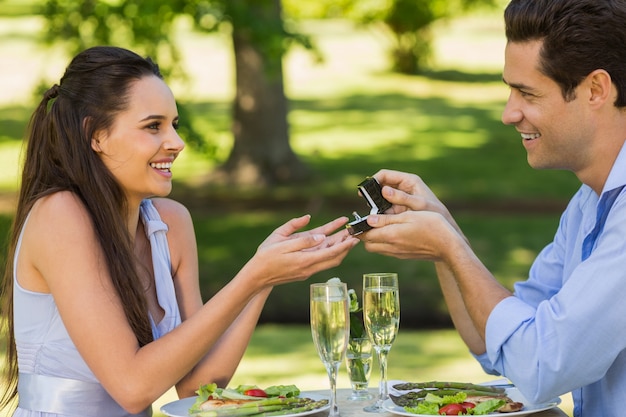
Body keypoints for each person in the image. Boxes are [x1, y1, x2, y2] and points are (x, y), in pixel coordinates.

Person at [0, 45, 358, 417]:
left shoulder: (170, 224)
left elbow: (195, 387)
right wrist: (251, 278)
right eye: (153, 126)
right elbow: (133, 387)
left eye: (175, 125)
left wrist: (264, 278)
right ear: (96, 135)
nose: (176, 142)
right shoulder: (60, 215)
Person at [355, 1, 626, 416]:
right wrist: (443, 236)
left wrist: (451, 248)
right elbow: (497, 346)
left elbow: (541, 367)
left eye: (528, 93)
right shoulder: (589, 203)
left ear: (595, 90)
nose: (508, 113)